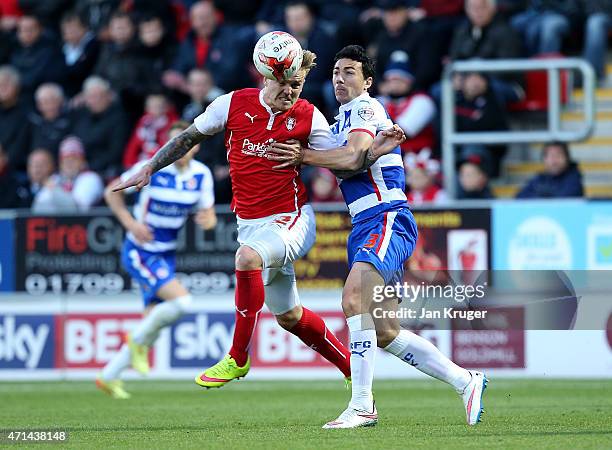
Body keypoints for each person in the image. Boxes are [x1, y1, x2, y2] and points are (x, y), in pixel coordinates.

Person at [113, 47, 403, 390]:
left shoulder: (309, 117)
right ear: (266, 76)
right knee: (289, 316)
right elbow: (189, 137)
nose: (291, 92)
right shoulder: (231, 104)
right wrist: (150, 166)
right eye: (284, 84)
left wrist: (375, 151)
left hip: (293, 219)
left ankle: (237, 357)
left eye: (298, 84)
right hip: (250, 224)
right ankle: (349, 369)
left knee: (247, 258)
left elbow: (347, 159)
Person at [269, 45, 487, 429]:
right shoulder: (339, 122)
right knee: (384, 330)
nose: (340, 78)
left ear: (367, 81)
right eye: (336, 72)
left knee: (354, 300)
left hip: (386, 217)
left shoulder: (365, 109)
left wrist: (304, 156)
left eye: (349, 72)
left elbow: (352, 158)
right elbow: (356, 158)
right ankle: (465, 380)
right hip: (365, 223)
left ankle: (362, 406)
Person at [96, 120, 216, 399]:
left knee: (153, 323)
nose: (178, 148)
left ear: (194, 146)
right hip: (141, 251)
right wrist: (131, 224)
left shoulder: (201, 175)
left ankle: (109, 375)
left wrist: (208, 221)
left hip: (166, 252)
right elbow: (110, 193)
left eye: (183, 142)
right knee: (182, 302)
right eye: (172, 143)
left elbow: (208, 217)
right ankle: (135, 345)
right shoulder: (152, 168)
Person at [32, 135, 104, 212]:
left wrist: (54, 190)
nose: (69, 163)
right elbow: (37, 208)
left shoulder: (91, 178)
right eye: (65, 159)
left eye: (74, 159)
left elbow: (76, 209)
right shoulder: (55, 179)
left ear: (82, 161)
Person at [122, 92, 179, 168]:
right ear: (147, 108)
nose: (156, 110)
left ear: (166, 107)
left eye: (159, 106)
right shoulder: (144, 122)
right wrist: (128, 164)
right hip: (142, 162)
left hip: (164, 164)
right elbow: (133, 145)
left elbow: (170, 147)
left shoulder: (172, 123)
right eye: (153, 107)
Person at [516, 141, 584, 198]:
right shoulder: (540, 179)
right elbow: (519, 198)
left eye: (558, 155)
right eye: (550, 156)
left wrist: (542, 195)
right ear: (544, 159)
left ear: (567, 158)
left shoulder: (574, 178)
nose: (554, 160)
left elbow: (565, 198)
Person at [28, 83, 71, 157]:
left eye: (53, 101)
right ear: (38, 105)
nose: (50, 106)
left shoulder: (70, 121)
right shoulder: (32, 123)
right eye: (45, 102)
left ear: (61, 101)